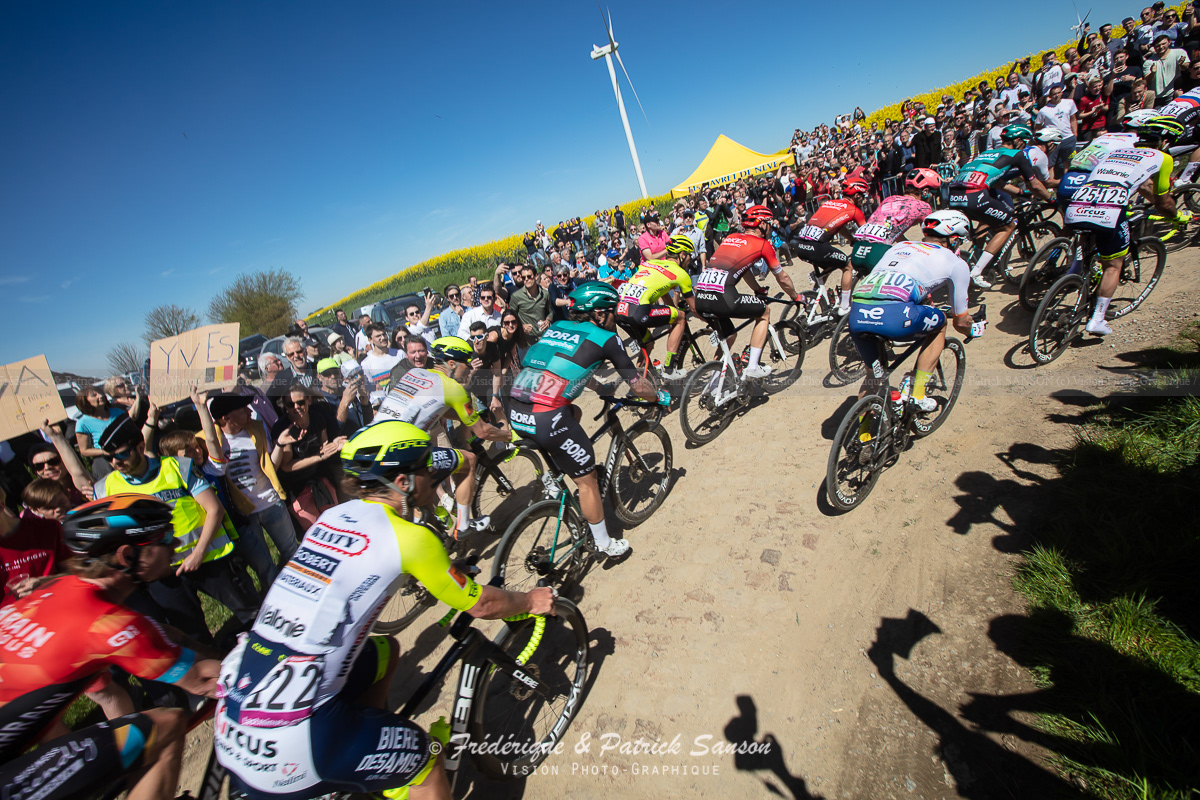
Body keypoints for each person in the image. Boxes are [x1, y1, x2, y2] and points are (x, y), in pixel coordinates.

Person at [214, 422, 554, 800]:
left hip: (239, 709)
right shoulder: (411, 539)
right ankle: (393, 768)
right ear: (404, 482)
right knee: (429, 764)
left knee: (385, 651)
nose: (432, 476)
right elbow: (482, 603)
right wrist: (529, 600)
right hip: (298, 737)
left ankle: (373, 755)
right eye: (426, 469)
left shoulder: (331, 518)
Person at [0, 495, 222, 800]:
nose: (175, 543)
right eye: (165, 537)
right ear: (127, 555)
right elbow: (205, 680)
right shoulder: (106, 622)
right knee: (167, 725)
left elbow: (164, 635)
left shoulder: (59, 587)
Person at [508, 282, 667, 559]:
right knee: (587, 479)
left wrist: (596, 387)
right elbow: (638, 386)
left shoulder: (555, 327)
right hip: (547, 418)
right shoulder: (607, 339)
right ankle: (604, 544)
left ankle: (554, 476)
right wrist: (659, 397)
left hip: (516, 408)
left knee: (573, 414)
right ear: (599, 314)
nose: (616, 316)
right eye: (612, 311)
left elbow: (558, 365)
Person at [81, 414, 259, 642]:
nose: (116, 463)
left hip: (208, 559)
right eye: (110, 458)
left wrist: (198, 553)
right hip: (162, 576)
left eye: (122, 455)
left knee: (251, 614)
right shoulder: (105, 489)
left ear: (140, 446)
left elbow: (214, 509)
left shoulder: (177, 467)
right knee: (194, 636)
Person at [848, 211, 985, 422]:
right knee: (940, 323)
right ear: (954, 239)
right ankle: (918, 395)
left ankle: (864, 436)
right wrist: (973, 329)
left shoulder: (900, 246)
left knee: (873, 375)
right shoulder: (957, 263)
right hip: (895, 316)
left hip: (858, 312)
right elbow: (961, 320)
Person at [1064, 116, 1190, 336]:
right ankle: (1097, 320)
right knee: (1113, 265)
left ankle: (1076, 275)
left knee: (1090, 243)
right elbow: (1163, 201)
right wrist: (1177, 216)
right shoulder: (1162, 157)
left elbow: (1135, 182)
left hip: (1079, 202)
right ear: (1166, 141)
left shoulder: (1116, 152)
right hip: (1110, 209)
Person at [376, 336, 512, 538]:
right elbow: (482, 431)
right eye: (466, 364)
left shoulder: (415, 373)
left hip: (376, 445)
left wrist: (467, 418)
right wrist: (505, 435)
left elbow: (435, 410)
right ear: (452, 363)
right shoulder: (452, 388)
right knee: (470, 460)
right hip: (402, 450)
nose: (469, 369)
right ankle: (464, 525)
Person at [197, 392, 299, 586]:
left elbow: (271, 466)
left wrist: (279, 444)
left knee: (292, 552)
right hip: (244, 513)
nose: (248, 411)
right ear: (226, 417)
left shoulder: (257, 430)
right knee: (264, 566)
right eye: (242, 409)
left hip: (270, 503)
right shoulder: (206, 441)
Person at [693, 205, 801, 379]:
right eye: (769, 223)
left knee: (729, 335)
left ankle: (715, 382)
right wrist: (796, 296)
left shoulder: (731, 237)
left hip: (702, 296)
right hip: (724, 296)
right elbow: (783, 278)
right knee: (764, 313)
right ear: (763, 225)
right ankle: (752, 367)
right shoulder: (763, 245)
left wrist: (757, 289)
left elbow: (744, 268)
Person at [946, 123, 1053, 289]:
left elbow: (997, 182)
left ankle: (977, 257)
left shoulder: (987, 153)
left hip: (954, 193)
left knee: (987, 221)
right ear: (1018, 141)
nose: (1025, 145)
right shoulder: (1017, 154)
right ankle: (977, 271)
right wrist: (1051, 200)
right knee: (1008, 225)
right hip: (975, 195)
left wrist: (1020, 193)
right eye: (1024, 142)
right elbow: (1035, 185)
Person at [848, 169, 940, 314]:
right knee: (913, 274)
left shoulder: (889, 199)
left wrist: (907, 244)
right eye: (933, 193)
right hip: (878, 252)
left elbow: (892, 231)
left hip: (859, 250)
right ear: (926, 191)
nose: (933, 197)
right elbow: (934, 234)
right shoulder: (923, 207)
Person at [615, 233, 699, 380]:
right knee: (681, 318)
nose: (690, 259)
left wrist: (673, 308)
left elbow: (663, 291)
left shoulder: (652, 263)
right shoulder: (680, 273)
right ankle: (669, 368)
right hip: (638, 311)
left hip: (620, 310)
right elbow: (693, 308)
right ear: (683, 254)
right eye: (690, 255)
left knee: (647, 343)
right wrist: (711, 319)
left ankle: (638, 381)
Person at [792, 179, 869, 317]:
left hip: (800, 244)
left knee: (829, 263)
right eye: (862, 196)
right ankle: (845, 307)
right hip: (816, 246)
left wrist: (851, 239)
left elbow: (838, 227)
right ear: (856, 195)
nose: (863, 199)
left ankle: (813, 298)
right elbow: (867, 232)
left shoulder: (829, 203)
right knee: (847, 266)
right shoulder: (854, 210)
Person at [272, 385, 346, 529]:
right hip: (296, 487)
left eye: (300, 402)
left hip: (319, 479)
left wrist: (334, 445)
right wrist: (319, 457)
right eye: (290, 404)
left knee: (336, 524)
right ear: (285, 407)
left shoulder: (317, 418)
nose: (296, 407)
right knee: (316, 531)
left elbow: (323, 448)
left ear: (309, 400)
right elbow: (287, 466)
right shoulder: (282, 429)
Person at [0, 479, 73, 605]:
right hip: (14, 621)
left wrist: (46, 582)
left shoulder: (47, 529)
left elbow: (75, 572)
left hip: (61, 606)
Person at [75, 384, 126, 476]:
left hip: (127, 453)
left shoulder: (118, 412)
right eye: (94, 395)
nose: (101, 396)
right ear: (85, 401)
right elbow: (84, 450)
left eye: (101, 393)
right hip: (105, 460)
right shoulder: (82, 423)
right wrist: (105, 452)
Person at [507, 264, 553, 340]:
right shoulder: (516, 296)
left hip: (543, 337)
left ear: (536, 276)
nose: (526, 279)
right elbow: (511, 317)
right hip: (526, 340)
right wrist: (522, 326)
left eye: (529, 276)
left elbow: (550, 311)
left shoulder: (545, 294)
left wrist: (548, 320)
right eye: (523, 277)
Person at [359, 322, 402, 401]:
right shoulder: (366, 364)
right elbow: (370, 389)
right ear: (370, 340)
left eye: (384, 334)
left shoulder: (399, 354)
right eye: (378, 336)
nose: (383, 338)